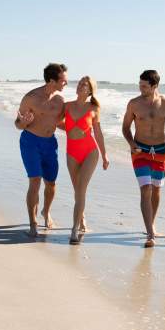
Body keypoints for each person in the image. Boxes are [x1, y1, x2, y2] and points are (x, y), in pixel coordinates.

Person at [122, 70, 165, 248]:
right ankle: (150, 233)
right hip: (140, 151)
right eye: (139, 85)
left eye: (144, 86)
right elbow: (125, 127)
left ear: (154, 86)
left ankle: (151, 224)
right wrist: (131, 142)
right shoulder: (134, 104)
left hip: (160, 151)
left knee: (156, 190)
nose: (141, 89)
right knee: (146, 189)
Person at [15, 63, 67, 237]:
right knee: (35, 181)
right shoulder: (31, 98)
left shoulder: (60, 100)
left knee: (51, 183)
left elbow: (58, 122)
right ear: (52, 80)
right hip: (30, 141)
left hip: (50, 143)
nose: (65, 83)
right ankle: (33, 223)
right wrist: (24, 122)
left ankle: (46, 212)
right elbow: (18, 124)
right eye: (63, 80)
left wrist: (77, 130)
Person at [61, 76, 109, 244]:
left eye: (85, 85)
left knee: (81, 189)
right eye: (80, 83)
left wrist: (104, 155)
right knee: (77, 189)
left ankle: (74, 229)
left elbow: (98, 133)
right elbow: (55, 121)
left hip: (90, 151)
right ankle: (81, 219)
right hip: (71, 152)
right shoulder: (66, 106)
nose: (80, 86)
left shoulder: (94, 108)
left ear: (90, 90)